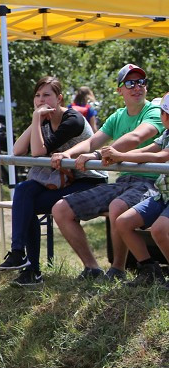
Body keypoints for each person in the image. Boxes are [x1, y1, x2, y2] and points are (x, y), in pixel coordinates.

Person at [50, 64, 166, 281]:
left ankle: (120, 269)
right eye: (130, 83)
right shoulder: (118, 115)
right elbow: (92, 141)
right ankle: (93, 268)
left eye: (141, 82)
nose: (137, 87)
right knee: (61, 209)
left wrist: (96, 156)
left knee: (117, 206)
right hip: (123, 182)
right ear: (119, 90)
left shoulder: (154, 112)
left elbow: (136, 138)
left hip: (150, 184)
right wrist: (67, 155)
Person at [0, 76, 105, 287]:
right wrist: (36, 120)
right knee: (24, 191)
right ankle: (21, 255)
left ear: (59, 99)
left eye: (46, 95)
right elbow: (17, 151)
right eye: (37, 95)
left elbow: (37, 152)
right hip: (63, 181)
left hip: (88, 181)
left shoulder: (72, 120)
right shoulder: (43, 119)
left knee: (25, 204)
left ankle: (30, 267)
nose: (40, 99)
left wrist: (37, 119)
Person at [99, 96, 169, 286]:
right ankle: (149, 270)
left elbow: (162, 156)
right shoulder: (167, 134)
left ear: (163, 116)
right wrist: (118, 156)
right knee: (123, 222)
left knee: (159, 230)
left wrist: (121, 155)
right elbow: (151, 149)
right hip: (164, 195)